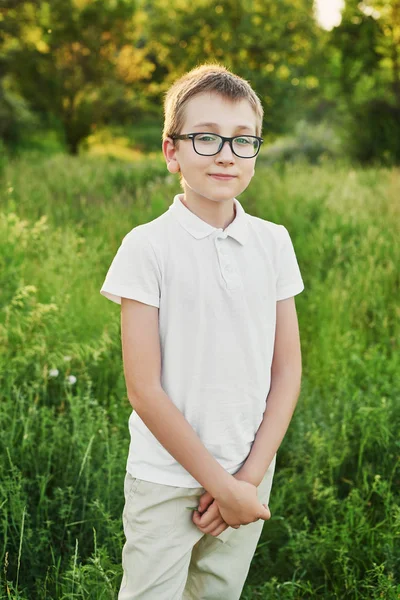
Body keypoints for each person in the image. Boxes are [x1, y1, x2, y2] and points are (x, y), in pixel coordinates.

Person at [100, 63, 304, 600]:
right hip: (166, 478)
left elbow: (287, 372)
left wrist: (245, 482)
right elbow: (143, 389)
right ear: (172, 151)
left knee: (216, 593)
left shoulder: (274, 242)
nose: (225, 154)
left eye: (243, 141)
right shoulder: (147, 247)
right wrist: (221, 486)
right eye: (206, 137)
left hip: (249, 468)